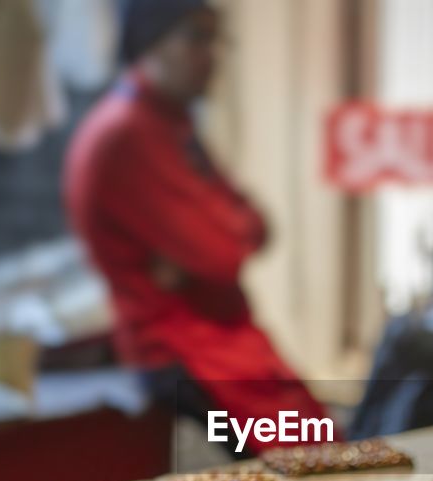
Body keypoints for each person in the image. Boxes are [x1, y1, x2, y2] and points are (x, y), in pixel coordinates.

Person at [64, 0, 333, 455]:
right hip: (181, 349)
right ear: (151, 43)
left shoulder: (170, 123)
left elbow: (257, 226)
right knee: (303, 464)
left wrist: (210, 240)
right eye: (195, 38)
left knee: (323, 445)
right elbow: (224, 252)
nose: (211, 55)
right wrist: (223, 231)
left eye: (215, 39)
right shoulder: (127, 132)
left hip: (224, 337)